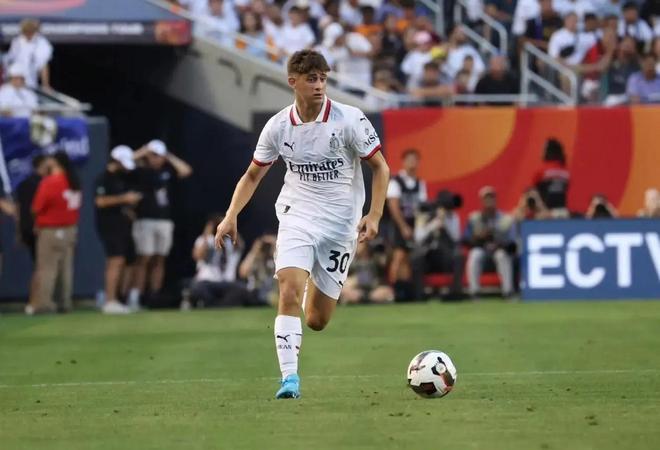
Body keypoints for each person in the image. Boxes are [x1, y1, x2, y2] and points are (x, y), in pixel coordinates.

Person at [214, 50, 390, 399]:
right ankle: (289, 379)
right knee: (288, 290)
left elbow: (380, 167)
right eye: (312, 79)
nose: (319, 85)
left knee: (317, 320)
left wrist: (374, 214)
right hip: (298, 216)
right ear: (292, 82)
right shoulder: (278, 126)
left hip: (340, 226)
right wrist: (231, 215)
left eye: (323, 78)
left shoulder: (349, 119)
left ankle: (311, 286)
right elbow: (252, 175)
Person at [130, 139, 192, 310]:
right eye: (153, 155)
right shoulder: (141, 171)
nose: (156, 159)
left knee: (160, 258)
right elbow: (125, 162)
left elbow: (186, 170)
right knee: (144, 258)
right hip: (145, 219)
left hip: (164, 220)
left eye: (158, 156)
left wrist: (169, 156)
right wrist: (143, 152)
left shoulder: (167, 171)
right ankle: (136, 296)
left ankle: (154, 297)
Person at [28, 152, 81, 315]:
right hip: (70, 230)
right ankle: (64, 303)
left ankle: (44, 304)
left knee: (47, 269)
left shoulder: (50, 182)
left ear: (55, 163)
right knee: (66, 269)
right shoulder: (74, 181)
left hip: (51, 230)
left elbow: (36, 207)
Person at [95, 146, 143, 314]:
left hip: (121, 225)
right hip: (109, 226)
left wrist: (127, 210)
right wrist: (125, 198)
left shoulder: (119, 178)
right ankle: (110, 300)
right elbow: (100, 202)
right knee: (115, 261)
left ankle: (119, 298)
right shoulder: (104, 178)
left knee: (125, 260)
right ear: (116, 161)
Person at [386, 149, 427, 301]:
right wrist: (403, 227)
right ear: (403, 162)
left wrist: (420, 229)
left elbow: (422, 208)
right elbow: (393, 206)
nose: (412, 163)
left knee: (409, 259)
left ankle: (405, 291)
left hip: (414, 224)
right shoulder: (396, 181)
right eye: (409, 160)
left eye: (415, 160)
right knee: (398, 256)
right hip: (399, 224)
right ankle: (392, 291)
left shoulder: (420, 183)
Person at [463, 186, 516, 298]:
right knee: (475, 254)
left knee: (501, 255)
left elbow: (512, 243)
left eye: (491, 198)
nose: (489, 201)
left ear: (495, 200)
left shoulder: (505, 219)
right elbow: (466, 240)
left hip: (499, 250)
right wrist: (479, 237)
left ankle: (508, 291)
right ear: (481, 201)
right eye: (486, 199)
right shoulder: (474, 218)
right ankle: (474, 291)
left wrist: (499, 240)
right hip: (482, 250)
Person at [411, 190, 464, 300]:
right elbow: (418, 238)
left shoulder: (453, 217)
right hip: (428, 255)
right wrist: (434, 224)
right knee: (416, 258)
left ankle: (455, 293)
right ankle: (419, 294)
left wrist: (444, 223)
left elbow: (456, 238)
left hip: (445, 256)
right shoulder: (424, 215)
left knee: (459, 256)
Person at [190, 214, 249, 307]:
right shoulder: (206, 240)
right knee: (197, 288)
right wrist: (208, 232)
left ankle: (218, 306)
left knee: (241, 288)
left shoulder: (231, 243)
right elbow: (198, 256)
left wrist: (229, 224)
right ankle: (215, 305)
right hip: (207, 281)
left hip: (227, 282)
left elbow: (241, 245)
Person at [15, 155, 50, 261]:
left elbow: (18, 211)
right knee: (46, 265)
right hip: (40, 230)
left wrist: (19, 232)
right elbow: (36, 209)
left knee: (39, 263)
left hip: (27, 230)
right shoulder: (44, 184)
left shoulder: (22, 185)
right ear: (41, 166)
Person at [5, 19, 53, 89]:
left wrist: (45, 84)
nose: (27, 34)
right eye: (25, 32)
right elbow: (10, 61)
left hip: (31, 82)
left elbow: (43, 66)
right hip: (14, 81)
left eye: (30, 31)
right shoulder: (16, 41)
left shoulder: (42, 43)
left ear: (35, 31)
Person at [530, 138, 571, 217]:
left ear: (548, 151)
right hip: (561, 211)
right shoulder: (566, 172)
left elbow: (534, 191)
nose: (541, 152)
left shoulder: (541, 171)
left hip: (544, 212)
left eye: (543, 149)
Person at [238, 234, 278, 306]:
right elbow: (243, 273)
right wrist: (254, 250)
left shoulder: (275, 260)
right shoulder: (255, 259)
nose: (266, 248)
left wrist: (276, 247)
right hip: (255, 292)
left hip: (270, 292)